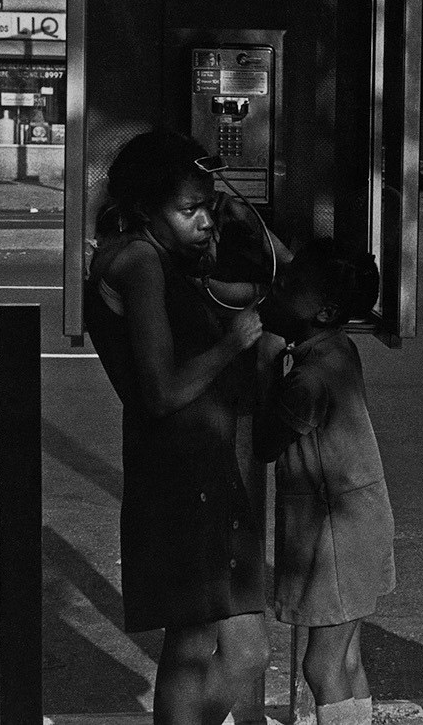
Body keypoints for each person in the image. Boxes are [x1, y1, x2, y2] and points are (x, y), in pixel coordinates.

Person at [85, 129, 270, 725]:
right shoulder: (138, 262)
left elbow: (268, 280)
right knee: (208, 648)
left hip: (203, 468)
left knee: (228, 646)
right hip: (176, 470)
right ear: (145, 208)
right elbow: (161, 392)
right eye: (189, 210)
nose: (202, 222)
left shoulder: (163, 257)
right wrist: (231, 346)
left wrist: (234, 219)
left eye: (205, 207)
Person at [255, 240, 395, 725]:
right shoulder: (339, 349)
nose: (278, 286)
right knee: (346, 657)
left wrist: (263, 361)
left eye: (291, 284)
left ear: (325, 309)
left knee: (322, 664)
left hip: (332, 533)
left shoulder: (308, 381)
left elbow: (265, 442)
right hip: (359, 522)